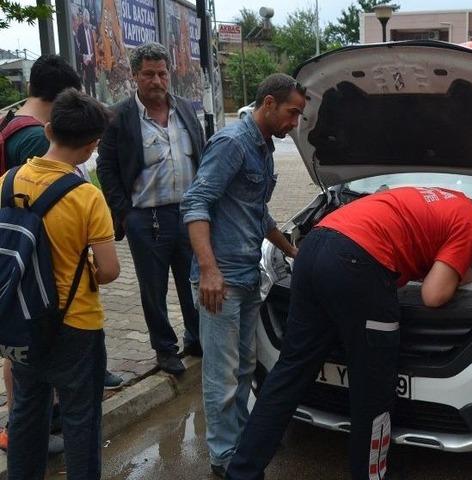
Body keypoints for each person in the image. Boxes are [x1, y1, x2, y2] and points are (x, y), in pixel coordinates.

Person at [226, 183, 472, 480]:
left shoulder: (453, 201)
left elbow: (454, 264)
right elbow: (434, 295)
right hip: (359, 265)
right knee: (374, 389)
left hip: (315, 247)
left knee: (288, 373)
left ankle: (242, 471)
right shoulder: (470, 224)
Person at [180, 73, 302, 477]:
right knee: (222, 373)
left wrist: (291, 251)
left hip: (248, 274)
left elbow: (256, 212)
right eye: (292, 112)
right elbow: (195, 202)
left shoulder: (264, 147)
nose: (295, 123)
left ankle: (238, 439)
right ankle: (223, 456)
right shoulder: (232, 143)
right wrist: (209, 270)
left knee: (244, 367)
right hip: (222, 280)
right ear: (269, 103)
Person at [0, 54, 121, 454]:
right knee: (81, 421)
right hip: (76, 322)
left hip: (24, 314)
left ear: (48, 129)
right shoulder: (88, 195)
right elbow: (109, 270)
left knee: (26, 417)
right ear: (92, 147)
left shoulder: (7, 179)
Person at [97, 42, 204, 375]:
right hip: (146, 219)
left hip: (188, 216)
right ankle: (164, 348)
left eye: (162, 73)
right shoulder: (119, 117)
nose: (157, 80)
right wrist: (125, 213)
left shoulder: (186, 109)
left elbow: (202, 154)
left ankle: (196, 336)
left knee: (193, 281)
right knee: (152, 288)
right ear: (134, 76)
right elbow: (106, 167)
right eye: (149, 74)